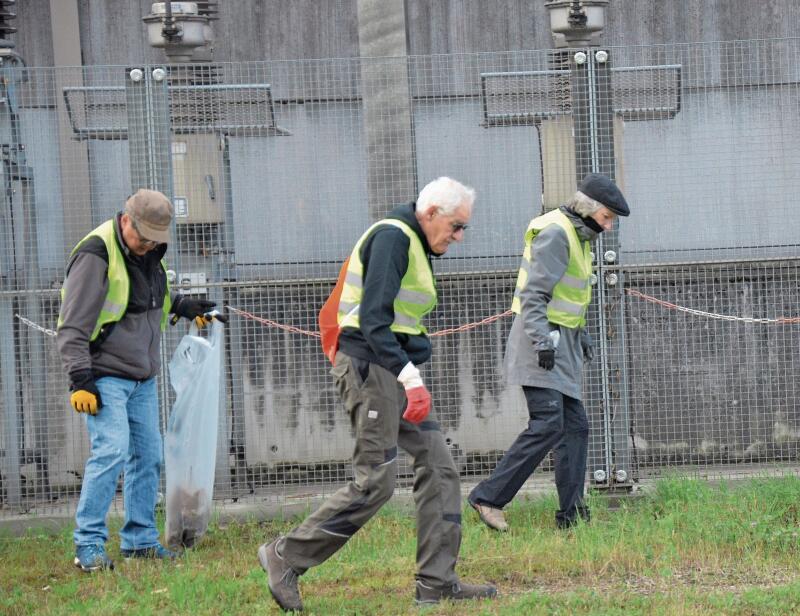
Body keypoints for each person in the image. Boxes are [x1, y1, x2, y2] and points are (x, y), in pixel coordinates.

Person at [258, 177, 497, 611]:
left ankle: (436, 584)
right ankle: (285, 556)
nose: (460, 237)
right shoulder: (393, 237)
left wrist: (411, 359)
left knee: (440, 467)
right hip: (371, 370)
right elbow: (372, 320)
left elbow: (398, 321)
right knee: (376, 482)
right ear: (430, 214)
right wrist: (410, 376)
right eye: (457, 226)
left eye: (464, 228)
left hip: (388, 368)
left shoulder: (413, 242)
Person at [57, 189, 222, 572]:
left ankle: (139, 541)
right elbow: (71, 327)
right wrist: (80, 378)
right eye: (142, 236)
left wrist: (181, 305)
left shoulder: (148, 254)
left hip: (141, 379)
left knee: (148, 456)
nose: (147, 244)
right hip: (104, 375)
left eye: (154, 239)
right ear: (126, 219)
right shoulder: (96, 255)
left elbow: (148, 300)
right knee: (111, 451)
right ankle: (88, 545)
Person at [468, 173, 630, 532]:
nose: (607, 227)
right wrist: (542, 341)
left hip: (562, 344)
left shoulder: (579, 235)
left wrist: (581, 333)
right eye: (606, 218)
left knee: (575, 428)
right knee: (548, 424)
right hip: (539, 344)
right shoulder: (557, 233)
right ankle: (488, 497)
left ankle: (572, 516)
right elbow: (533, 295)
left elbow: (566, 297)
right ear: (588, 210)